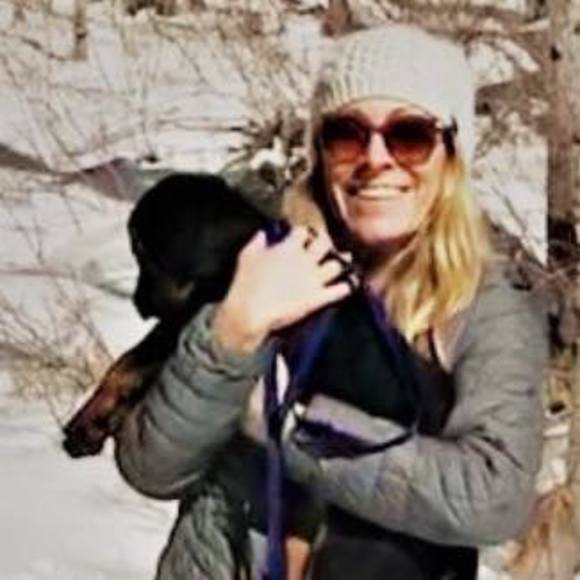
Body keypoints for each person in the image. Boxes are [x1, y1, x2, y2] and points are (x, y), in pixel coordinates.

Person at [113, 23, 547, 580]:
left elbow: (493, 497)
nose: (376, 158)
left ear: (451, 155)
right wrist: (232, 332)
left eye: (409, 135)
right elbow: (151, 469)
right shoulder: (267, 259)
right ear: (319, 150)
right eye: (347, 134)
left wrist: (287, 424)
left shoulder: (487, 306)